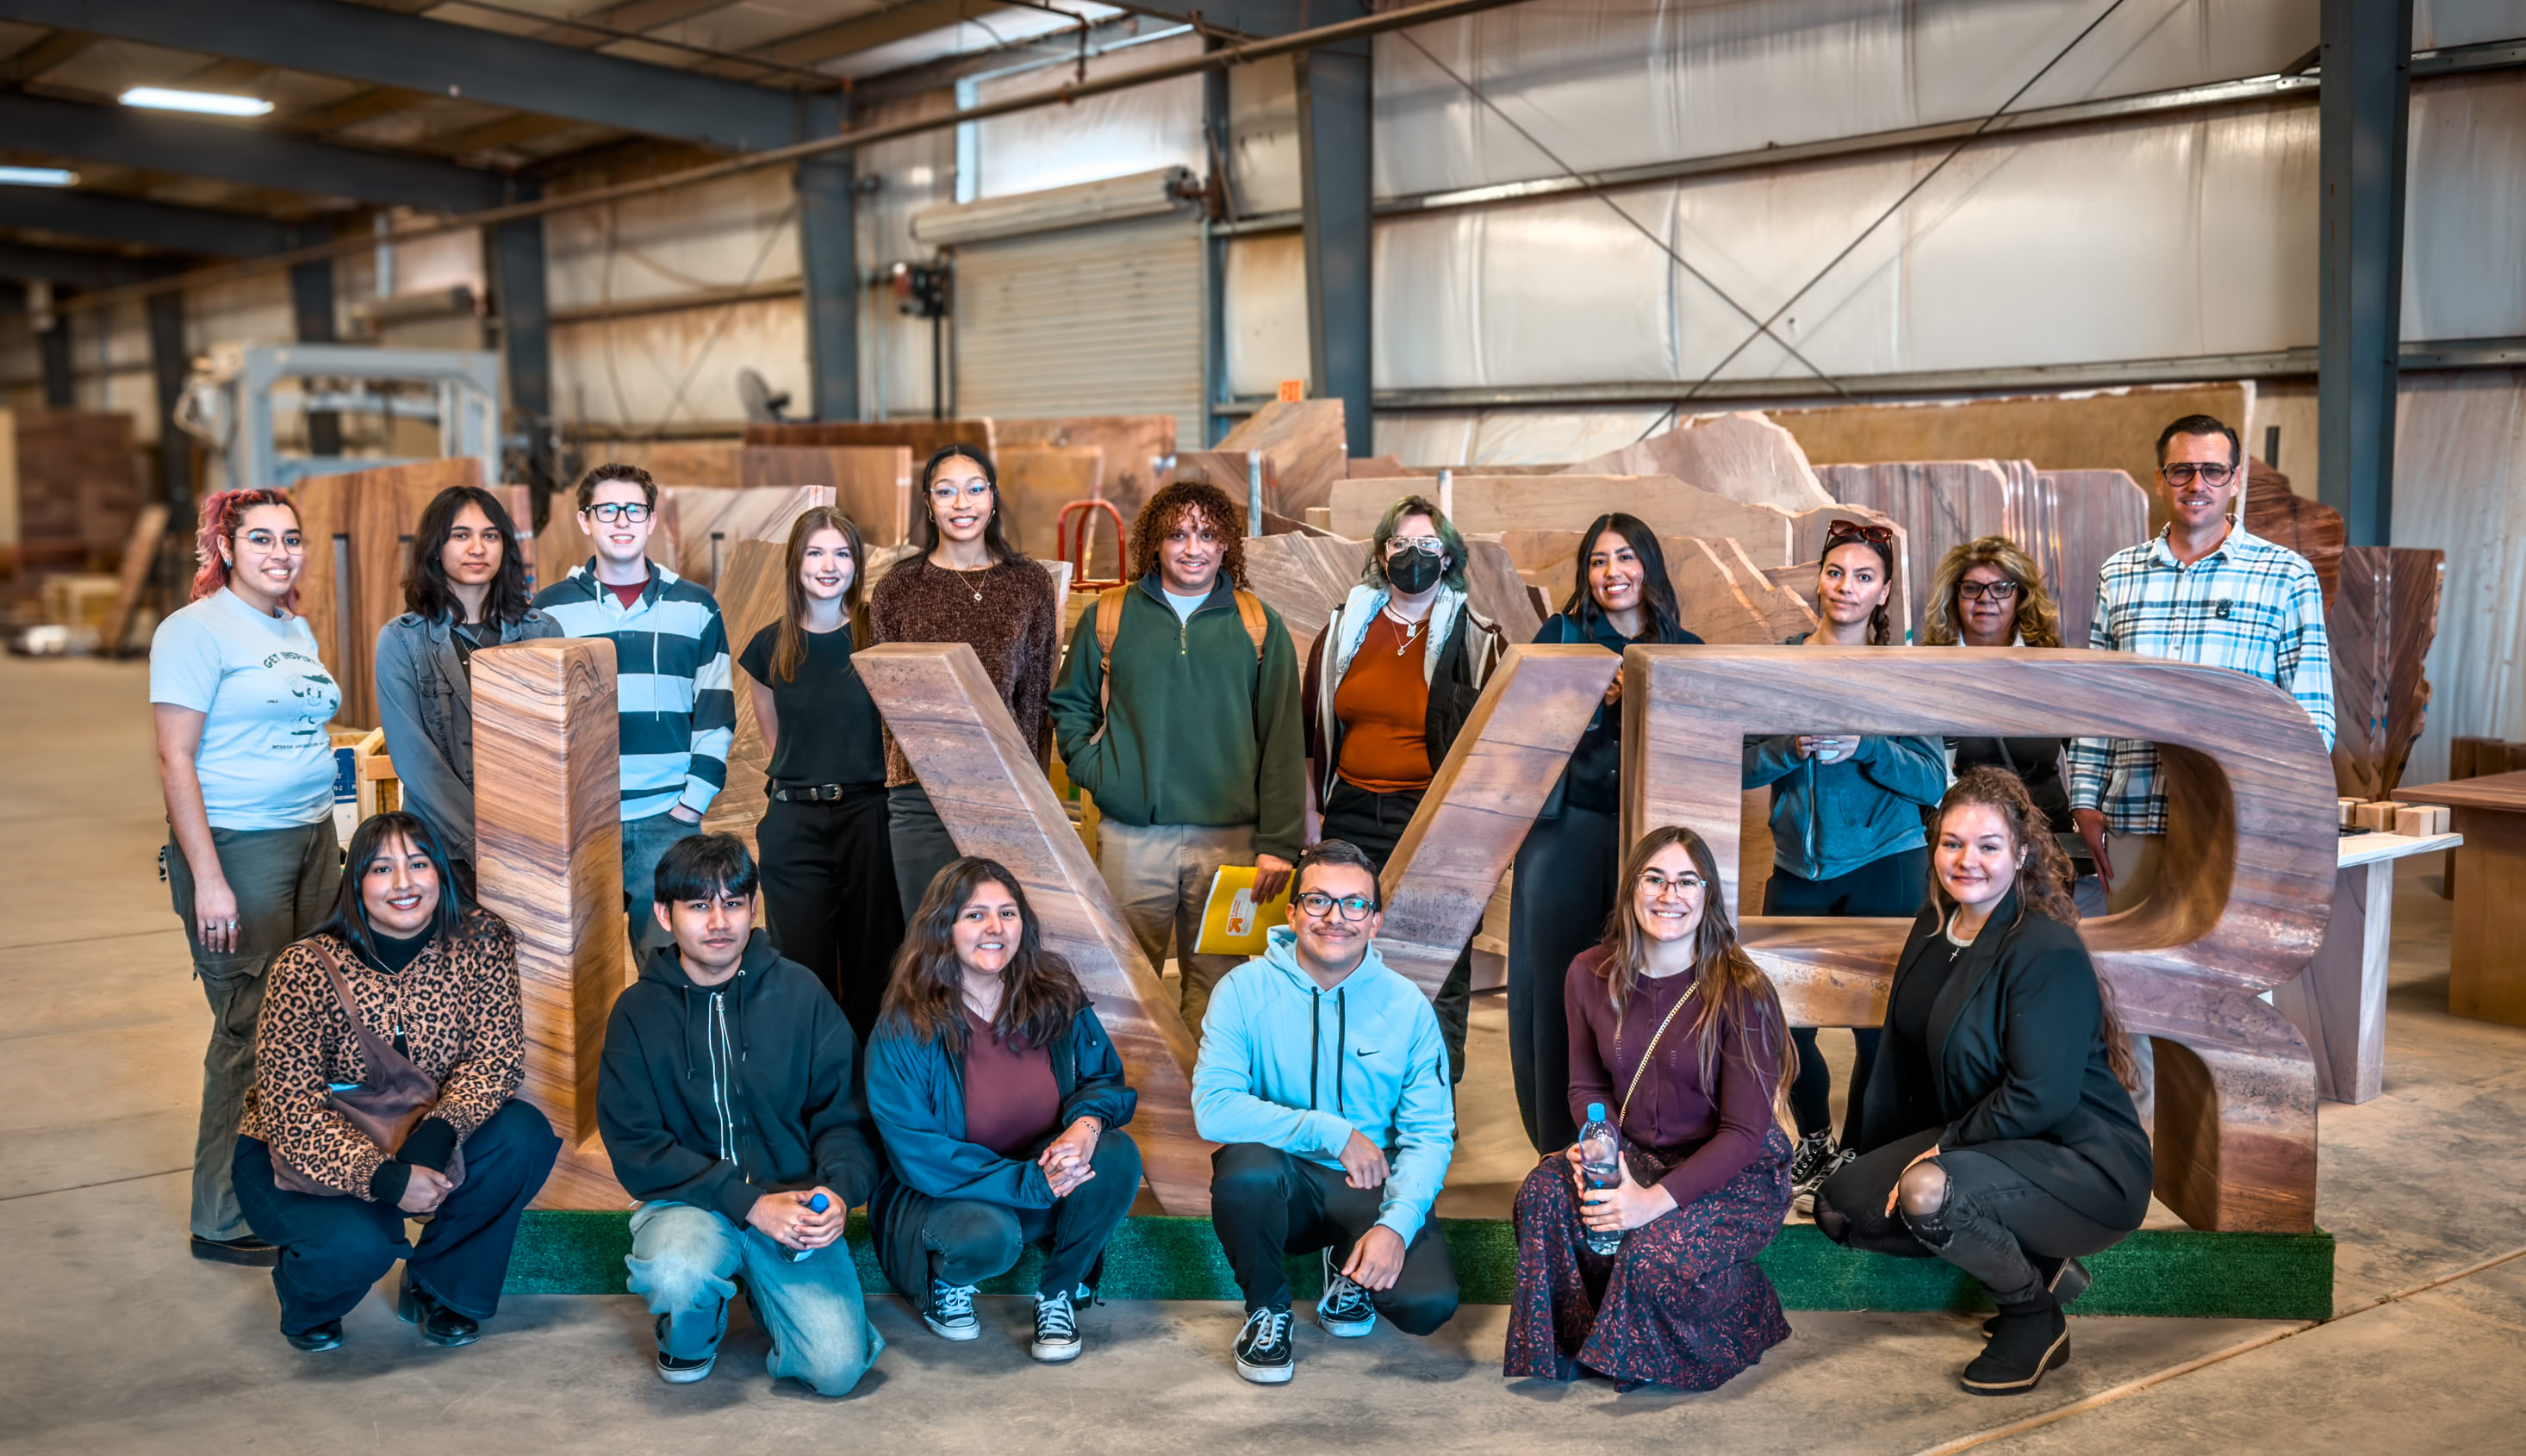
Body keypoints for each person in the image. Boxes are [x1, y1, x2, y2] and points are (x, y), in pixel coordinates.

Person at [1814, 768, 2151, 1396]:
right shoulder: (1933, 927)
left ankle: (2032, 1312)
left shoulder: (2044, 949)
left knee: (1925, 1192)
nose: (1967, 860)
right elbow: (1904, 1057)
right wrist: (1881, 1147)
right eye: (1951, 843)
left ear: (2021, 853)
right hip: (1987, 1142)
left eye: (1988, 846)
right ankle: (2043, 1259)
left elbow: (2041, 1096)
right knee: (1843, 1209)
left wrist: (1940, 1150)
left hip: (2077, 1159)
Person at [230, 812, 561, 1353]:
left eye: (418, 864)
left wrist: (437, 1136)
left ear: (440, 874)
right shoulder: (303, 969)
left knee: (521, 1135)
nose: (404, 884)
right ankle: (308, 1297)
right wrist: (384, 1179)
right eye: (382, 868)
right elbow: (291, 1113)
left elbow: (496, 1060)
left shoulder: (482, 940)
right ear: (356, 883)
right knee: (359, 1245)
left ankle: (440, 1285)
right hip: (301, 1151)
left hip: (420, 1128)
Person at [1503, 825, 1795, 1392]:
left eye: (1687, 881)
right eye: (1654, 878)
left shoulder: (1743, 989)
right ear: (1631, 889)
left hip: (1733, 1170)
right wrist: (1601, 1148)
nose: (1669, 894)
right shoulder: (1588, 973)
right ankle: (1591, 1339)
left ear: (1707, 895)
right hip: (1635, 1151)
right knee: (1542, 1195)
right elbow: (1585, 1085)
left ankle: (1748, 1306)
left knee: (1652, 1255)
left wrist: (1647, 1203)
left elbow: (1742, 1132)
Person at [598, 832, 885, 1395]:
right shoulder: (637, 1012)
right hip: (691, 1207)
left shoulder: (801, 993)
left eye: (732, 902)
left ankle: (765, 1285)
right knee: (680, 1271)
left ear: (754, 907)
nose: (718, 921)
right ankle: (694, 1323)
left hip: (793, 1204)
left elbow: (844, 1116)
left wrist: (838, 1195)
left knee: (836, 1370)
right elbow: (637, 1146)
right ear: (664, 912)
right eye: (698, 905)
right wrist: (748, 1204)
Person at [151, 488, 345, 1267]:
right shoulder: (193, 631)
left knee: (307, 1020)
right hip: (239, 848)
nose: (279, 552)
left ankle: (291, 1180)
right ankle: (222, 1215)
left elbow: (310, 738)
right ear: (224, 548)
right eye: (260, 538)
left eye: (291, 538)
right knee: (247, 1027)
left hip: (310, 841)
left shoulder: (290, 625)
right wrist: (211, 879)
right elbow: (173, 759)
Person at [1193, 839, 1459, 1385]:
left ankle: (1349, 1271)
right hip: (1282, 1180)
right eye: (1317, 901)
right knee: (1245, 1171)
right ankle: (1268, 1310)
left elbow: (1430, 1134)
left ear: (1375, 921)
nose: (1336, 918)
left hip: (1368, 1182)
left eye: (1354, 904)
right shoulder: (1242, 991)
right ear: (1292, 913)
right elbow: (1213, 1109)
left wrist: (1397, 1225)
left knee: (1427, 1304)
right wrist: (1331, 1131)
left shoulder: (1406, 1006)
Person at [1049, 479, 1304, 1030]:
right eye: (1179, 535)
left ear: (1226, 545)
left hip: (1233, 846)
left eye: (1208, 535)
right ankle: (1126, 1111)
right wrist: (1103, 774)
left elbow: (1284, 740)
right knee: (1121, 983)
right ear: (1156, 545)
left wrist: (1279, 844)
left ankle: (1201, 1110)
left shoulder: (1259, 625)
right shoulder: (1109, 616)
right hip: (1133, 839)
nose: (1194, 548)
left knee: (1221, 989)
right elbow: (1070, 707)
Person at [865, 857, 1142, 1363]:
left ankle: (1057, 1292)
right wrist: (1028, 1184)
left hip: (1044, 1180)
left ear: (1023, 925)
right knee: (989, 1237)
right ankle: (946, 1283)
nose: (994, 928)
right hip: (947, 1199)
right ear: (943, 929)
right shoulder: (908, 1023)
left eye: (1007, 913)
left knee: (1117, 1153)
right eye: (975, 915)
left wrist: (1084, 1126)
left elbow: (1104, 1078)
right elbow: (917, 1153)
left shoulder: (1053, 991)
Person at [1742, 520, 1944, 1210]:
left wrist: (1863, 746)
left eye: (1864, 576)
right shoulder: (1781, 662)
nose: (1846, 587)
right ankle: (1815, 1140)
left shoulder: (1903, 671)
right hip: (1799, 868)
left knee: (1876, 1023)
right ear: (1818, 580)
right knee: (1784, 1017)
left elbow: (1934, 781)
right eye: (1836, 573)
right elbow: (1737, 762)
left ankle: (1857, 1151)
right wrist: (1788, 748)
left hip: (1887, 865)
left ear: (1884, 590)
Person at [2070, 415, 2335, 913]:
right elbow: (2096, 701)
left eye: (2213, 471)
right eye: (2182, 470)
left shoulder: (2285, 575)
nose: (2197, 485)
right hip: (2134, 816)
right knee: (2133, 973)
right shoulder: (2120, 574)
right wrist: (2085, 798)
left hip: (2235, 822)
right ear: (2159, 478)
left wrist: (2283, 815)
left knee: (2234, 973)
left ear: (2236, 480)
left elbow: (2312, 716)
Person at [1510, 513, 1704, 1155]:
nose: (1611, 572)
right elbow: (1527, 745)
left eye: (1624, 557)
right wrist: (1596, 707)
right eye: (1598, 560)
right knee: (1557, 985)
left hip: (1651, 844)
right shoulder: (1559, 639)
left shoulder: (1689, 649)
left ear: (1647, 565)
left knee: (1645, 986)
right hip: (1565, 839)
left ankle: (1646, 1135)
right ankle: (1556, 1140)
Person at [1301, 495, 1507, 1080]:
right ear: (1380, 553)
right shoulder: (1344, 630)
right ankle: (1356, 1094)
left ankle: (1432, 1106)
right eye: (1399, 544)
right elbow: (1309, 732)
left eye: (1426, 546)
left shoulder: (1477, 639)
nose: (1411, 556)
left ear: (1447, 559)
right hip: (1352, 813)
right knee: (1344, 953)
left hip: (1434, 817)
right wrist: (1312, 814)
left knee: (1440, 965)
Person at [532, 463, 734, 958]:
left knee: (669, 968)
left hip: (668, 820)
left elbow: (716, 710)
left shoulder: (697, 607)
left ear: (651, 521)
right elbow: (536, 719)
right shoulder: (549, 611)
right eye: (607, 510)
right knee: (577, 975)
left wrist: (690, 804)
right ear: (586, 521)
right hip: (580, 823)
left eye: (633, 509)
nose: (621, 520)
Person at [869, 445, 1061, 922]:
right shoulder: (898, 586)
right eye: (946, 491)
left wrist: (1032, 791)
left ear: (992, 499)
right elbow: (886, 703)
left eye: (975, 489)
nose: (962, 504)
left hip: (1005, 790)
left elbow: (1037, 699)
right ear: (929, 503)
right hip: (919, 793)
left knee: (1002, 936)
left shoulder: (1029, 583)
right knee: (929, 939)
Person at [737, 507, 901, 1039]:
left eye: (841, 553)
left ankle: (867, 1092)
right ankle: (810, 1091)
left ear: (856, 563)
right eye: (815, 552)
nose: (828, 565)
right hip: (794, 821)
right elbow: (776, 739)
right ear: (796, 562)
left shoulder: (880, 635)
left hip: (869, 817)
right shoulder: (769, 646)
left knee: (873, 963)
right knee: (799, 967)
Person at [374, 483, 559, 901]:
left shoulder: (542, 632)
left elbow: (554, 748)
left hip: (533, 842)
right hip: (439, 849)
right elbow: (416, 761)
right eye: (461, 535)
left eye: (490, 535)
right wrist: (484, 845)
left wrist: (531, 838)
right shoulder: (401, 640)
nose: (478, 547)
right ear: (435, 548)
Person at [1919, 535, 2089, 895]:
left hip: (2042, 848)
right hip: (1960, 852)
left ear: (2021, 595)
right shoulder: (1929, 669)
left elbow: (2085, 751)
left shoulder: (2053, 667)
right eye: (1972, 588)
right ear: (1955, 595)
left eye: (2001, 588)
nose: (1986, 600)